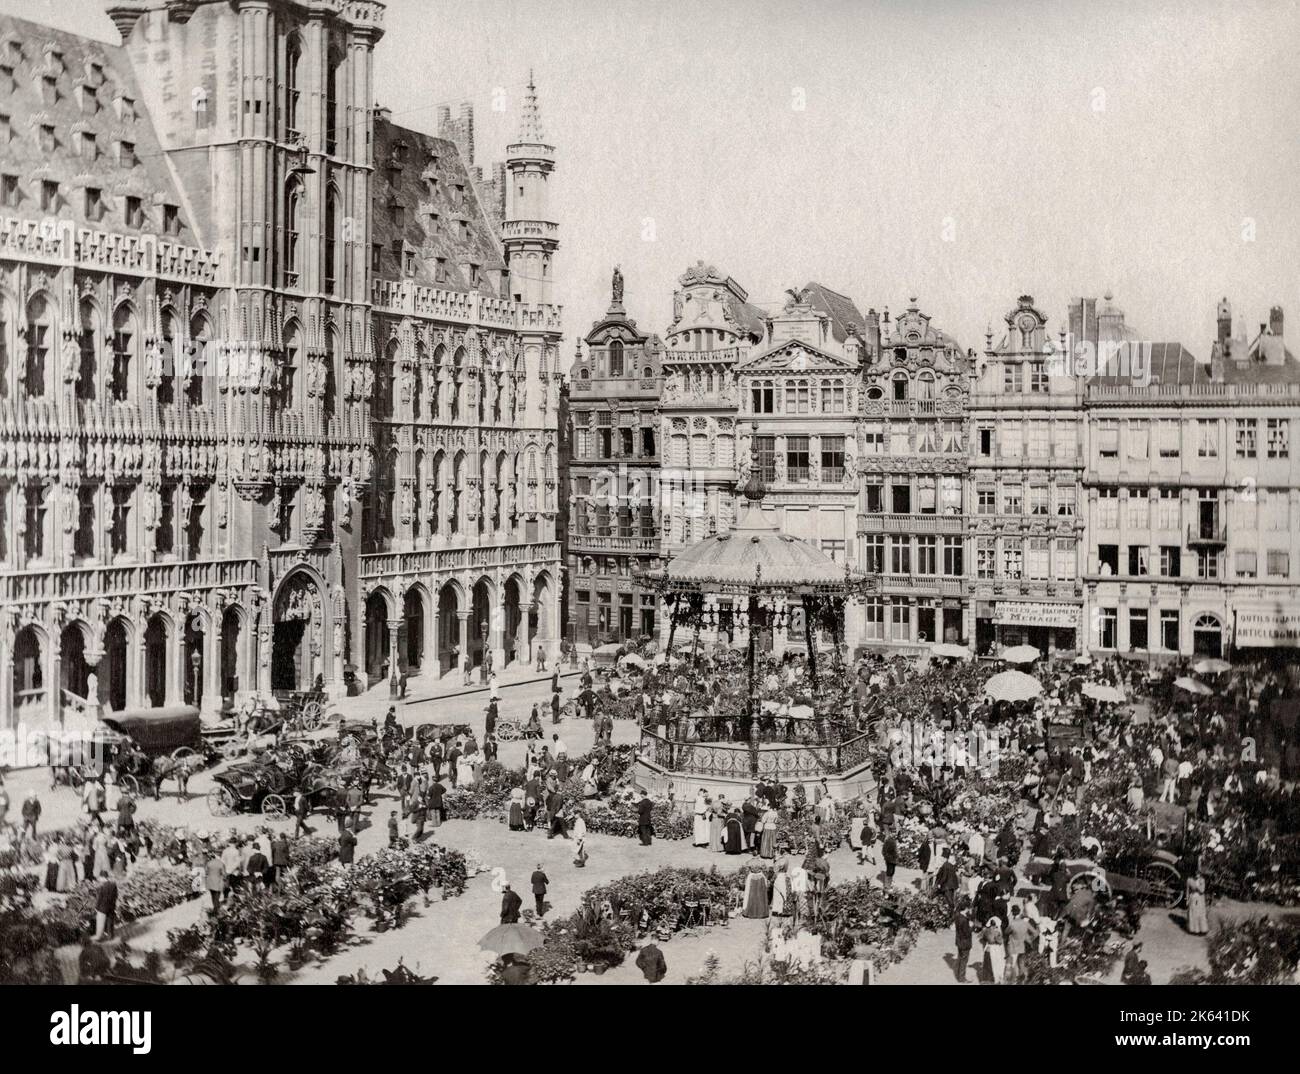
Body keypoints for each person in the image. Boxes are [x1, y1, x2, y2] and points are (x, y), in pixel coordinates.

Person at [92, 871, 118, 941]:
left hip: (102, 907)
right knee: (110, 921)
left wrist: (96, 908)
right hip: (111, 906)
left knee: (100, 922)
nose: (99, 879)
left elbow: (99, 898)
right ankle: (110, 936)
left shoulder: (102, 887)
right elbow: (116, 896)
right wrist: (113, 905)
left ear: (102, 877)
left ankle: (99, 936)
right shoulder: (113, 885)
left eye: (100, 878)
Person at [953, 899, 973, 983]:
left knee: (960, 957)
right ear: (966, 908)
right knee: (964, 960)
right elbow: (967, 933)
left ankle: (958, 975)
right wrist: (971, 927)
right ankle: (962, 978)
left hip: (959, 941)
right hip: (965, 942)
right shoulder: (964, 920)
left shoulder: (957, 915)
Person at [1185, 870, 1209, 935]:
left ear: (1200, 874)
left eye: (1198, 874)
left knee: (1200, 914)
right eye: (1195, 874)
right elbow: (1187, 890)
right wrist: (1187, 900)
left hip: (1200, 898)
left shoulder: (1202, 880)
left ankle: (1202, 930)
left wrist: (1196, 885)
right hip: (1192, 897)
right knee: (1193, 913)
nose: (1196, 875)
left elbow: (1202, 890)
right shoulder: (1189, 880)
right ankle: (1194, 930)